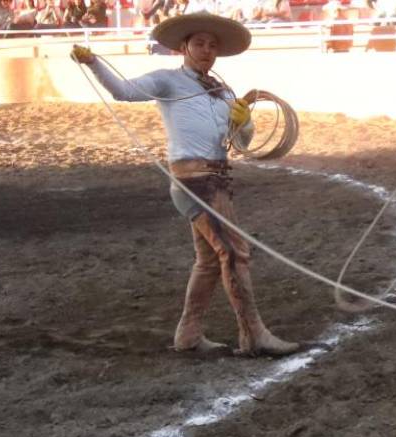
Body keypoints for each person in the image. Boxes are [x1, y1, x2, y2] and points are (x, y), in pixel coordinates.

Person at [71, 12, 301, 356]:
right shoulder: (168, 81)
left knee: (210, 260)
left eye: (211, 45)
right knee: (235, 252)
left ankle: (189, 334)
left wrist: (245, 121)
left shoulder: (224, 94)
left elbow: (240, 142)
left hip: (216, 179)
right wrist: (94, 63)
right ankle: (252, 335)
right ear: (184, 47)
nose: (206, 50)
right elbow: (123, 91)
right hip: (195, 180)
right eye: (199, 43)